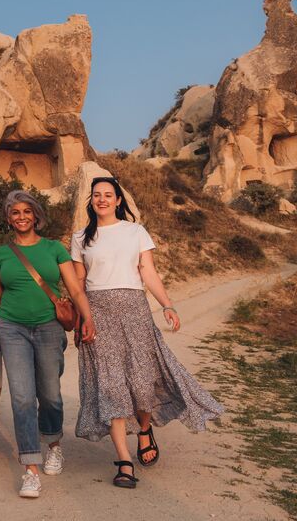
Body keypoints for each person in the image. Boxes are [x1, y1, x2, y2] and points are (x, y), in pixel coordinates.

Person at [71, 176, 224, 489]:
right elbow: (78, 285)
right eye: (96, 195)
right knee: (111, 386)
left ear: (117, 200)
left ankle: (144, 430)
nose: (101, 199)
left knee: (142, 382)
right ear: (92, 201)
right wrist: (81, 319)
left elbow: (147, 271)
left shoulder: (135, 231)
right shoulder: (81, 237)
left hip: (135, 311)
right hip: (98, 314)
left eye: (108, 195)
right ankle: (124, 462)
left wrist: (167, 304)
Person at [0, 190, 95, 499]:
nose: (21, 217)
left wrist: (87, 319)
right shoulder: (1, 254)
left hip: (49, 327)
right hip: (11, 328)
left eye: (26, 212)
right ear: (9, 218)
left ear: (36, 215)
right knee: (21, 398)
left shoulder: (53, 249)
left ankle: (54, 444)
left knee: (49, 394)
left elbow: (74, 289)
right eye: (15, 213)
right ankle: (30, 468)